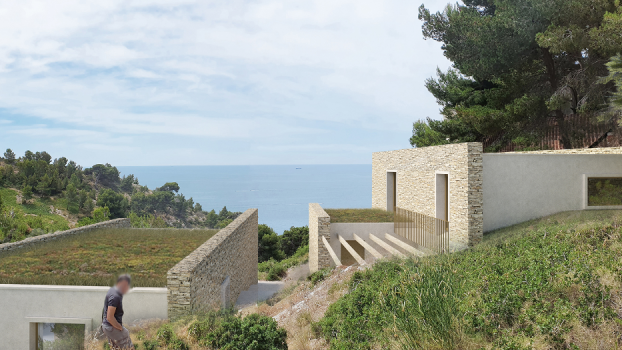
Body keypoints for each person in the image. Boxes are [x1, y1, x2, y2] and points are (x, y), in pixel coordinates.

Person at [101, 274, 135, 350]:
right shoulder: (115, 296)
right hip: (111, 327)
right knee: (129, 347)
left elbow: (105, 311)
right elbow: (109, 317)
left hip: (108, 327)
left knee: (115, 348)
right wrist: (120, 328)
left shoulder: (112, 290)